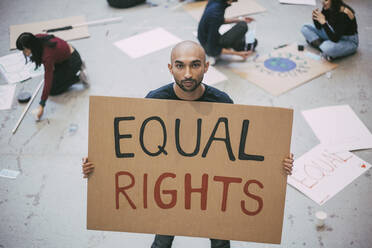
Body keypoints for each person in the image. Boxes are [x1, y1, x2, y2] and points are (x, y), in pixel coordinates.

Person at [81, 41, 294, 248]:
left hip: (212, 190)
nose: (188, 74)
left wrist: (277, 165)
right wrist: (98, 165)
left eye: (195, 65)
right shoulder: (153, 102)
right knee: (162, 241)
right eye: (180, 65)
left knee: (220, 241)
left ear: (206, 66)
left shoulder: (222, 103)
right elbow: (133, 153)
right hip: (167, 191)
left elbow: (240, 152)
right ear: (170, 68)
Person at [16, 32, 88, 120]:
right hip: (64, 56)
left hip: (72, 60)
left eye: (25, 50)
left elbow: (48, 79)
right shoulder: (36, 39)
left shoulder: (47, 56)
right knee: (54, 80)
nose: (24, 53)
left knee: (53, 90)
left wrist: (41, 105)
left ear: (31, 46)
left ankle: (78, 77)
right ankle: (75, 69)